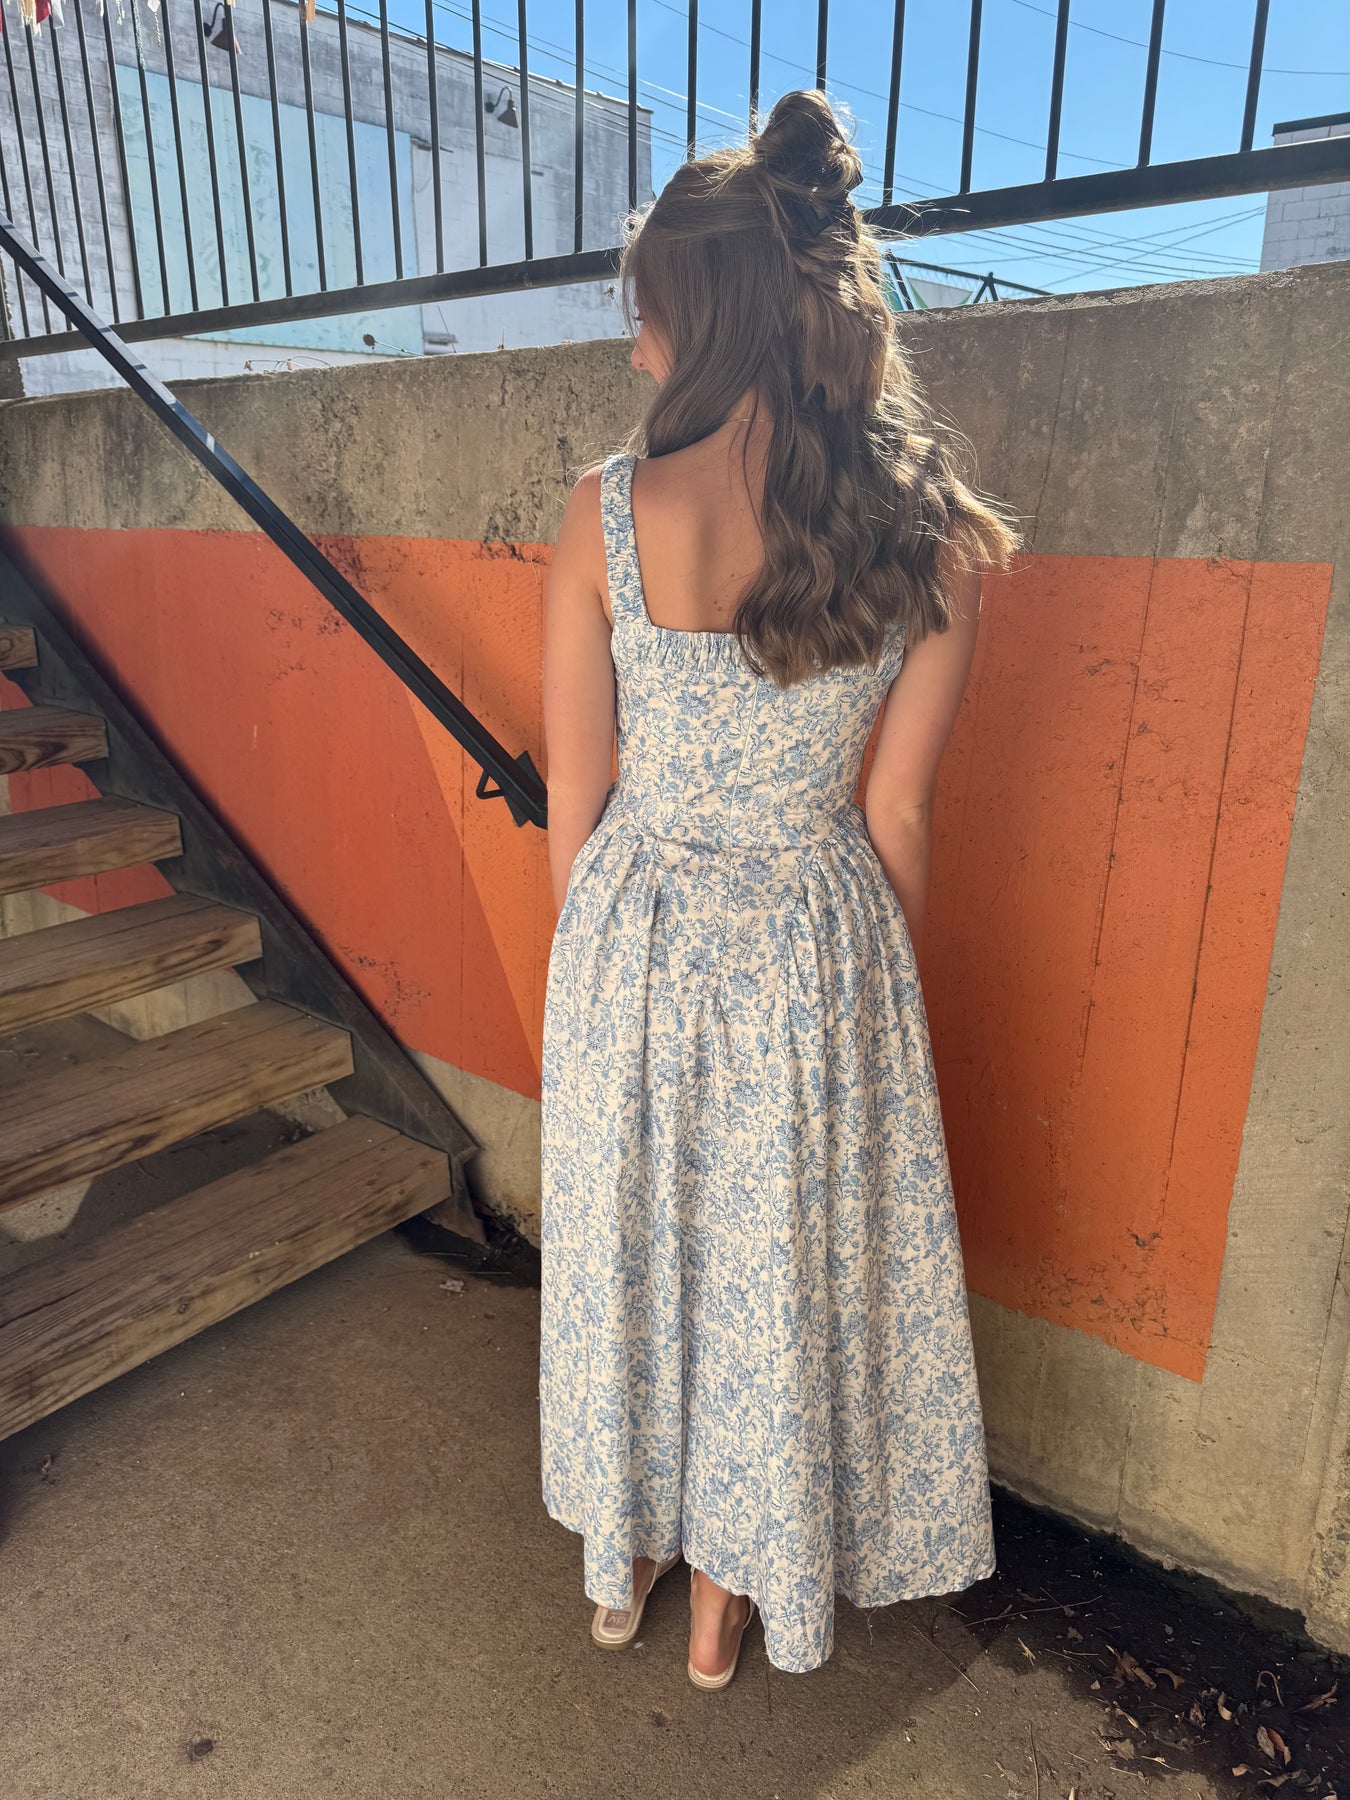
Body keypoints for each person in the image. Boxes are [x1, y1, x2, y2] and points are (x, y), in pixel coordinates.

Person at [538, 87, 1018, 1687]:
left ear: (707, 323)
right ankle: (727, 1601)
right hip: (817, 942)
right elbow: (898, 808)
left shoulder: (605, 514)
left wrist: (579, 972)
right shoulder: (931, 538)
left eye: (646, 317)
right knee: (767, 1273)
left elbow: (575, 792)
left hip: (634, 932)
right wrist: (883, 992)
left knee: (633, 1250)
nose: (634, 352)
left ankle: (624, 1554)